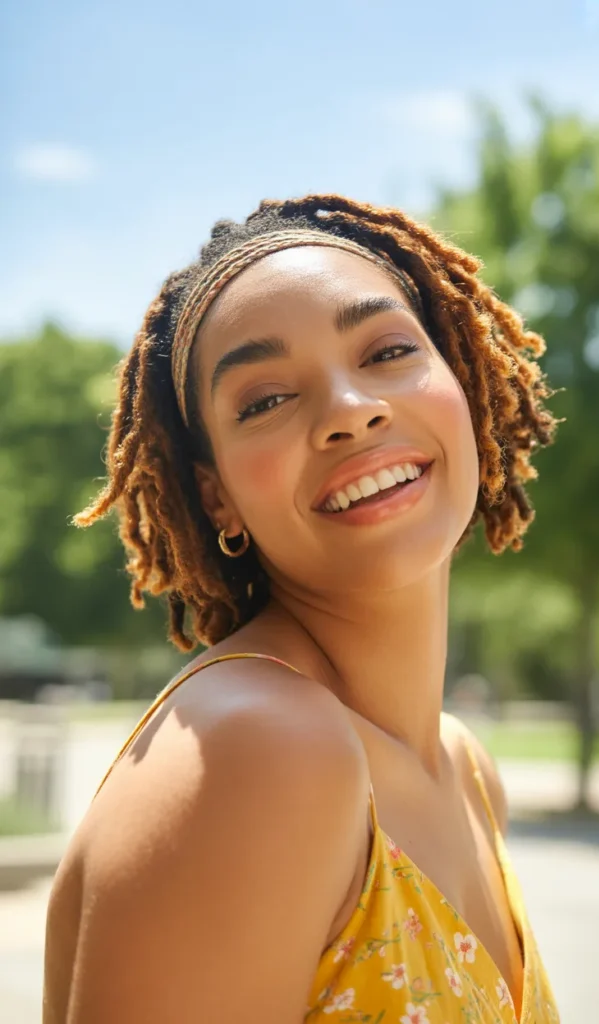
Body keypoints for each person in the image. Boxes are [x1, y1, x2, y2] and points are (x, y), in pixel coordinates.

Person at [43, 194, 560, 1023]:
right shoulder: (258, 751)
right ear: (216, 498)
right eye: (264, 400)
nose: (349, 411)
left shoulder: (464, 770)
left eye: (387, 350)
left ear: (463, 381)